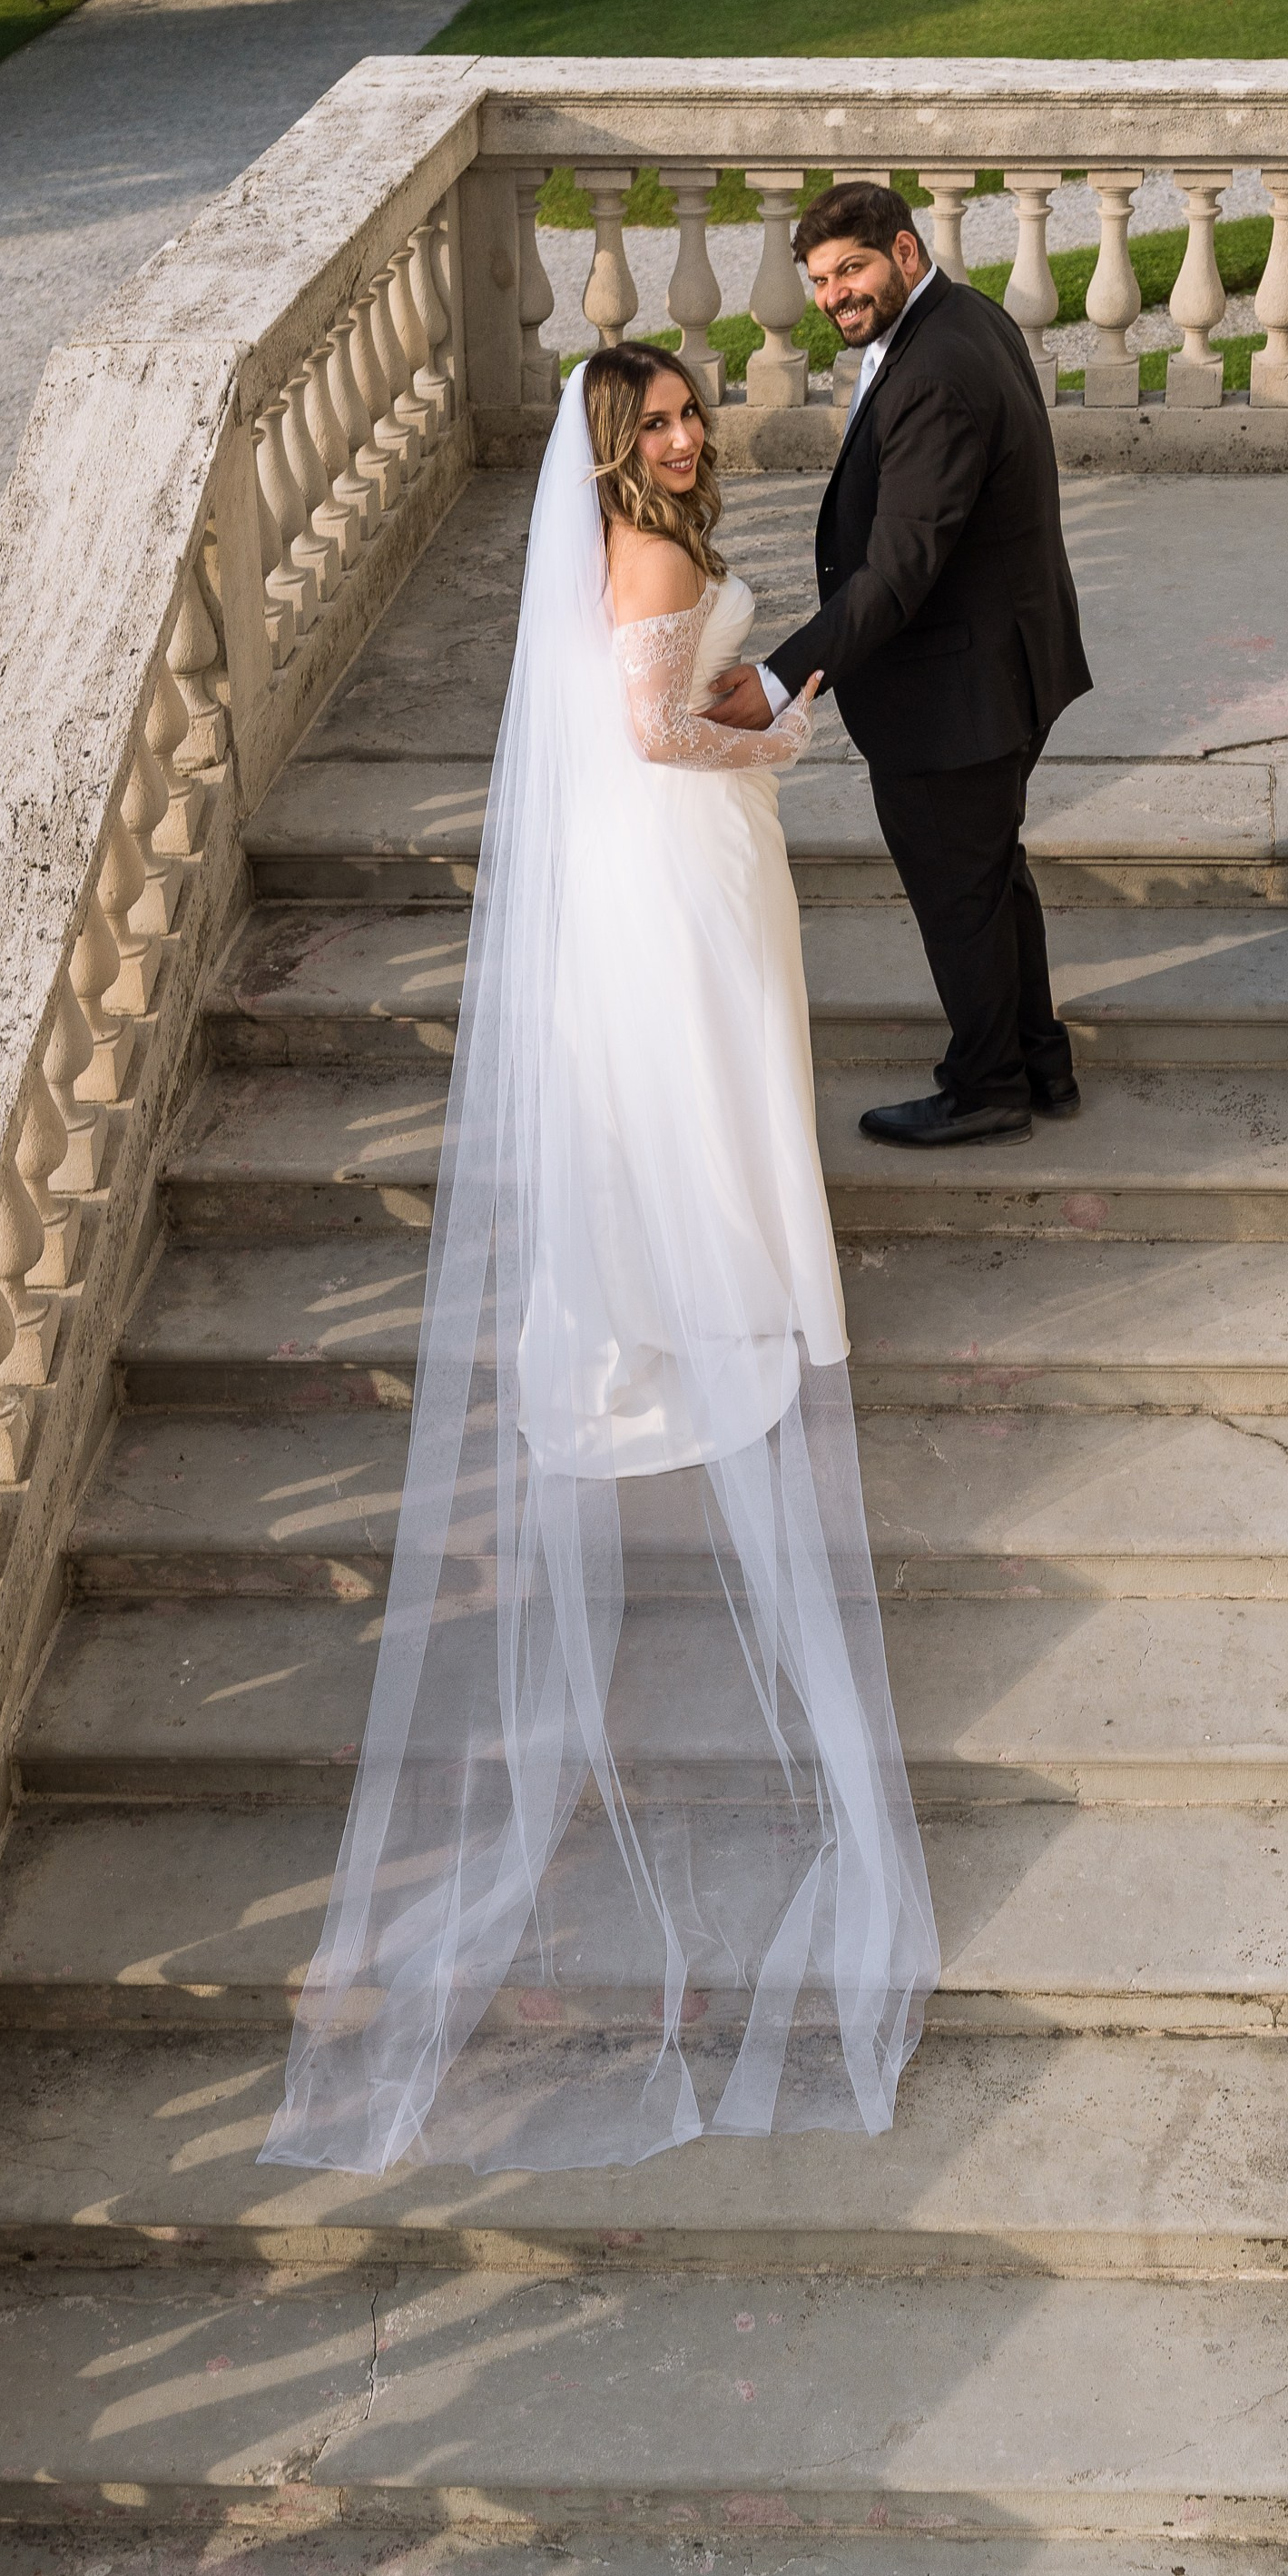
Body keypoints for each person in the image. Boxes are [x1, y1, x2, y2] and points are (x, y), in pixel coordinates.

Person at [261, 344, 939, 2176]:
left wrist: (743, 714)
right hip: (680, 856)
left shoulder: (622, 553)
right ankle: (722, 1281)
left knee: (710, 1075)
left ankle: (714, 1270)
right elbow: (651, 733)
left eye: (686, 413)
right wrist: (777, 728)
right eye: (649, 423)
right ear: (604, 451)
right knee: (713, 1070)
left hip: (666, 868)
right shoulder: (641, 560)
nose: (682, 435)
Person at [705, 180, 1094, 1146]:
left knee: (959, 896)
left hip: (955, 689)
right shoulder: (968, 318)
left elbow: (898, 570)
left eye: (853, 269)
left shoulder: (934, 372)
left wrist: (772, 679)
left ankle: (985, 1088)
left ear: (906, 254)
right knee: (989, 874)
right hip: (1000, 664)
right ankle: (1038, 1060)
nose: (836, 294)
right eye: (822, 279)